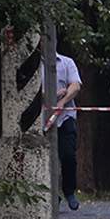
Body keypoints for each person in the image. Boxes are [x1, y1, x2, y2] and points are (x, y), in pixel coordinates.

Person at [43, 48, 84, 210]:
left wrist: (63, 100)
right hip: (42, 120)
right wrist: (50, 95)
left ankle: (69, 191)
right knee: (44, 159)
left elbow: (75, 85)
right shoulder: (34, 66)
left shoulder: (67, 63)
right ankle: (52, 194)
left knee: (68, 156)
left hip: (64, 117)